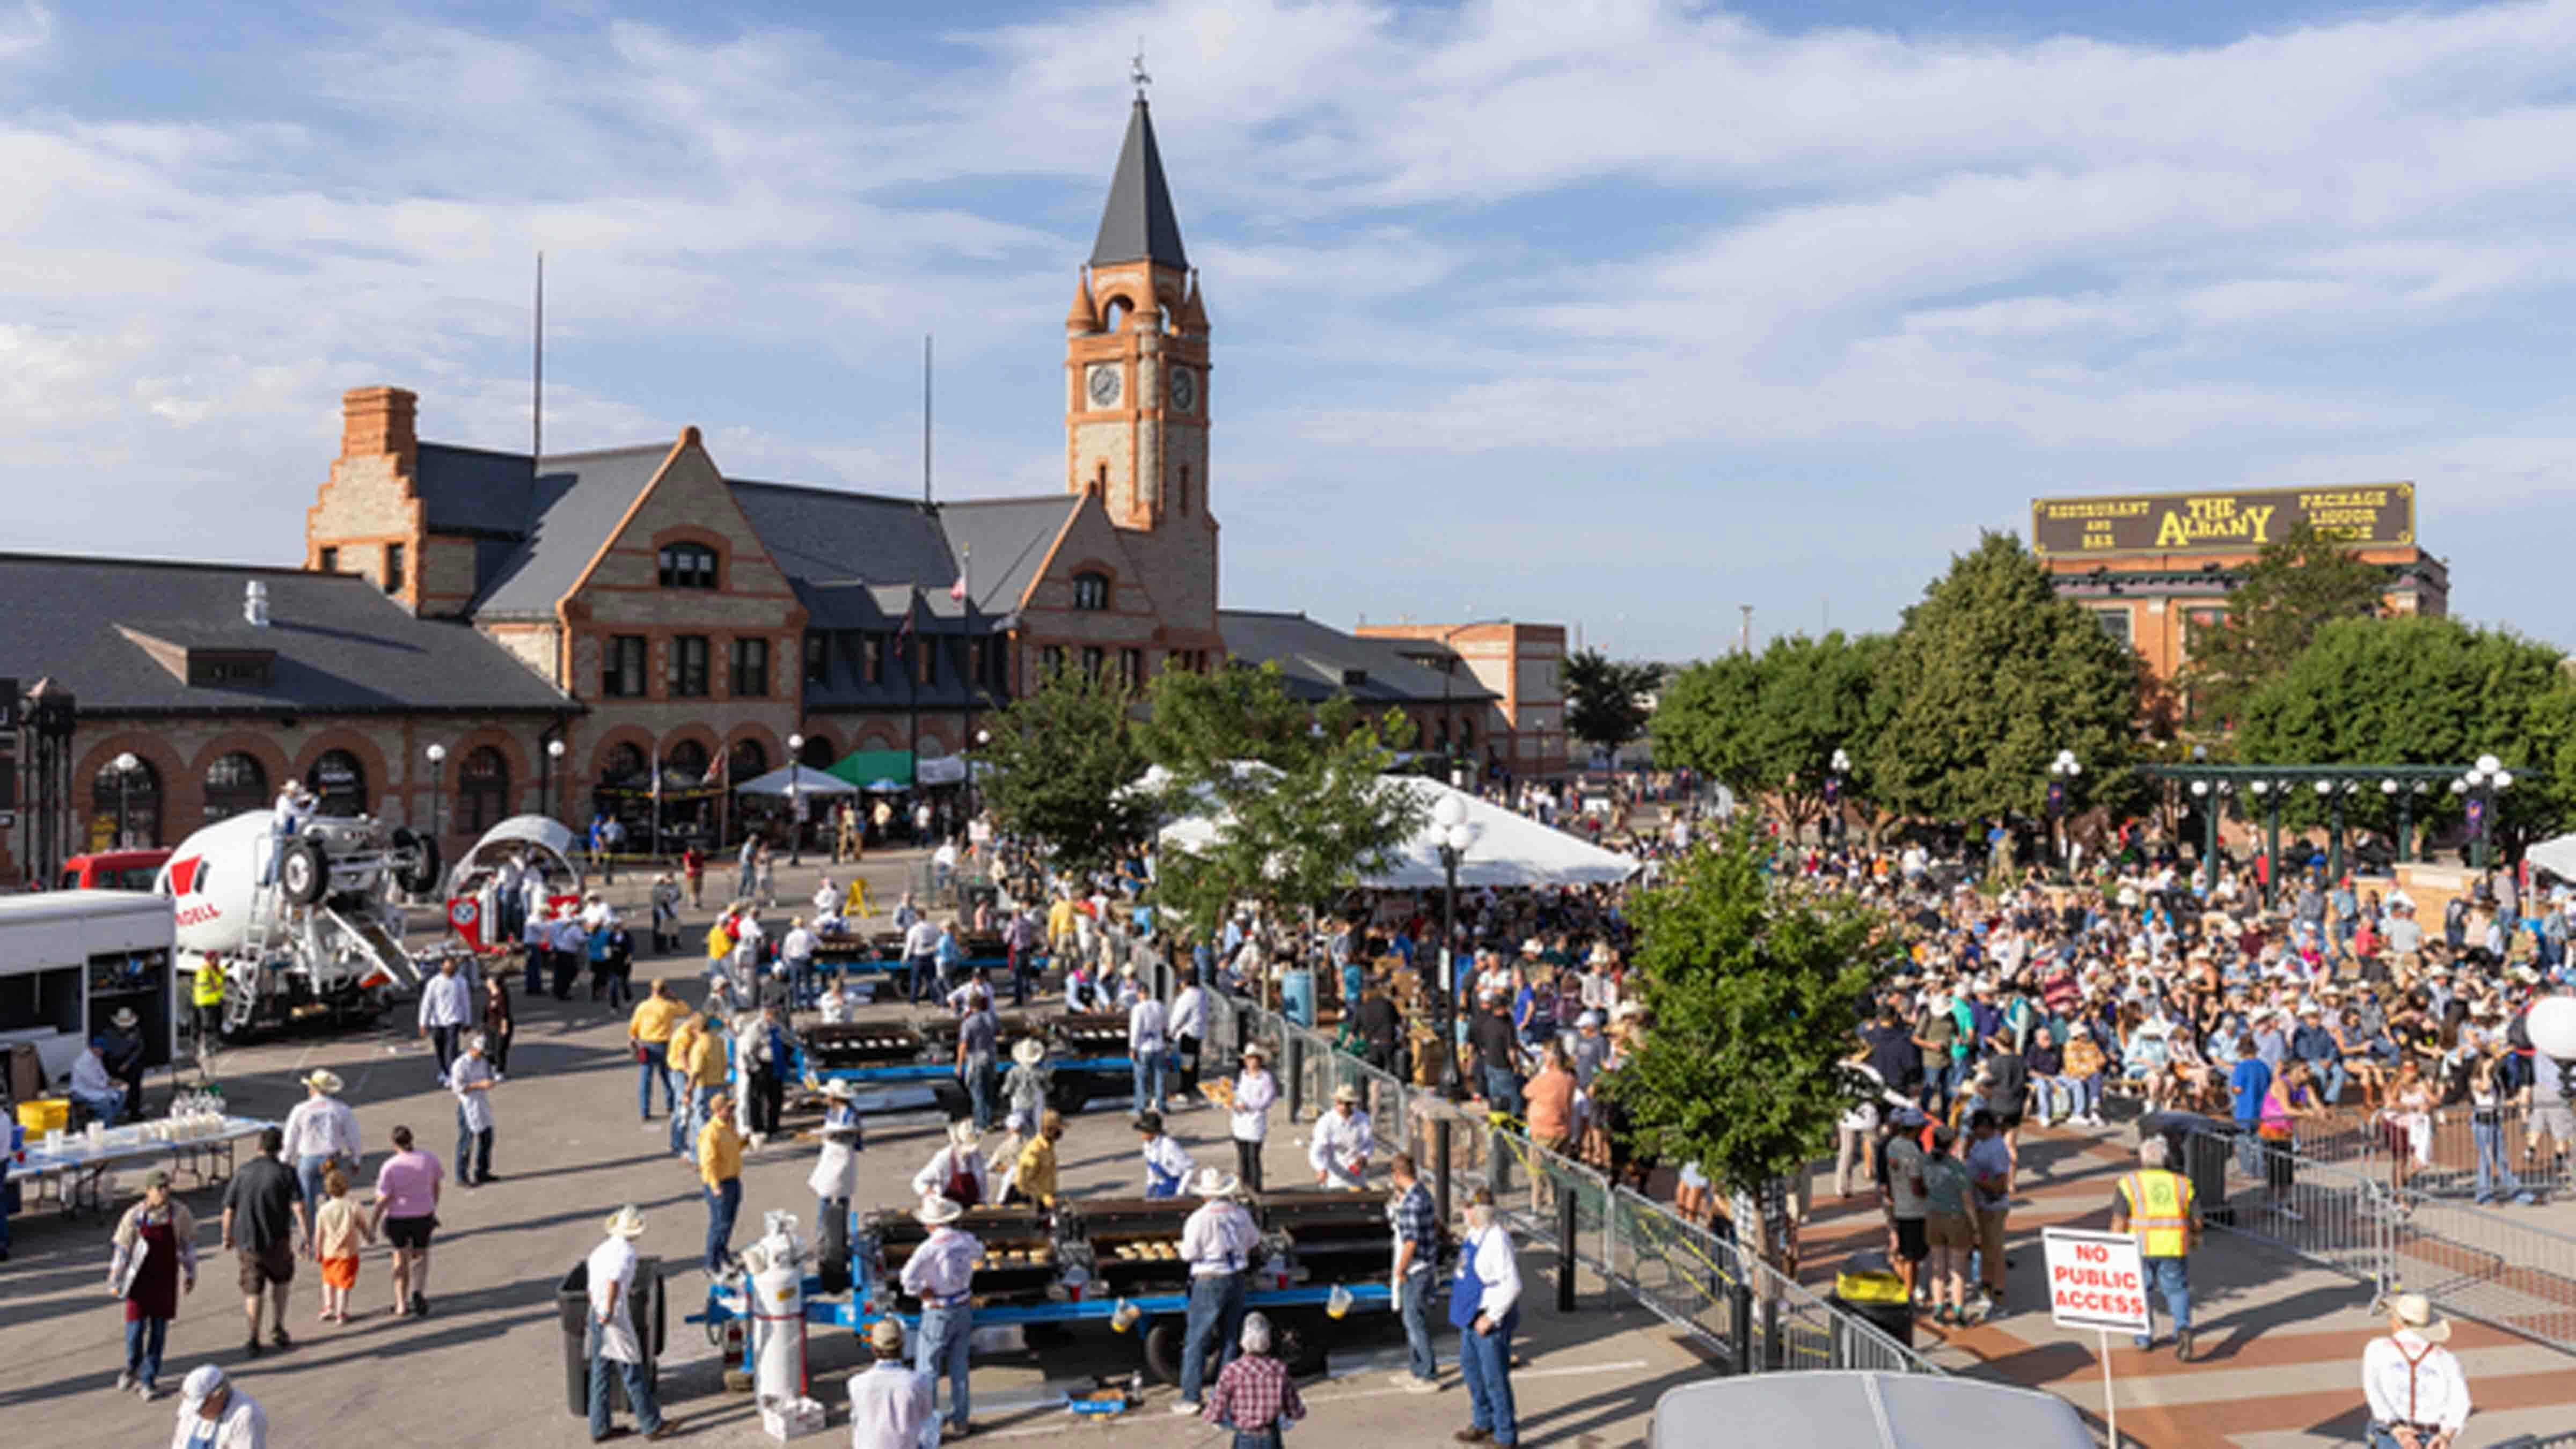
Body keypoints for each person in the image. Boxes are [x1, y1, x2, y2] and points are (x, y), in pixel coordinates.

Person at [587, 1204, 676, 1441]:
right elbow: (614, 1282)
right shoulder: (626, 1253)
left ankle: (599, 1428)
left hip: (596, 1312)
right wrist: (608, 1312)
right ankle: (651, 1424)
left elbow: (590, 1287)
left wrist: (598, 1311)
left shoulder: (600, 1250)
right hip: (613, 1317)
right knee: (632, 1370)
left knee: (601, 1372)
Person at [1174, 1168, 1258, 1416]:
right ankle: (1226, 1394)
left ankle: (1190, 1396)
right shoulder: (1240, 1214)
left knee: (1197, 1340)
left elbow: (1189, 1253)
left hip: (1209, 1279)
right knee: (1230, 1337)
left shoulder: (1199, 1219)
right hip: (1236, 1278)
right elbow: (1253, 1241)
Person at [901, 1193, 983, 1439]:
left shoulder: (928, 1250)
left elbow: (907, 1279)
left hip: (938, 1310)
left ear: (929, 1224)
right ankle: (961, 1420)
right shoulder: (965, 1240)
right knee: (959, 1365)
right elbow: (979, 1253)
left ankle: (929, 1425)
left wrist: (919, 1291)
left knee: (928, 1368)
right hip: (963, 1305)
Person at [110, 1167, 197, 1399]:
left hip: (164, 1282)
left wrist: (190, 1273)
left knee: (158, 1334)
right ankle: (132, 1366)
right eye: (159, 1188)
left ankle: (148, 1379)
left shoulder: (179, 1214)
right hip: (138, 1284)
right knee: (135, 1332)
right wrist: (115, 1279)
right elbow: (122, 1251)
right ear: (148, 1191)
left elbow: (187, 1246)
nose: (164, 1192)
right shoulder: (135, 1217)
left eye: (166, 1187)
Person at [2111, 1137, 2199, 1358]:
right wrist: (2196, 1238)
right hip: (2173, 1246)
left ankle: (2143, 1337)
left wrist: (2114, 1247)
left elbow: (2119, 1220)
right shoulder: (2182, 1183)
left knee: (2141, 1290)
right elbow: (2197, 1219)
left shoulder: (2129, 1183)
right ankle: (2182, 1328)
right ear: (2166, 1159)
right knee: (2177, 1289)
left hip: (2139, 1247)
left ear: (2142, 1159)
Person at [219, 1126, 302, 1357]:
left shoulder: (243, 1172)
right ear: (281, 1148)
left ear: (259, 1147)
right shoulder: (287, 1173)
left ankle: (253, 1337)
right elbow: (299, 1207)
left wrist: (227, 1235)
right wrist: (306, 1234)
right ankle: (278, 1326)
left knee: (253, 1290)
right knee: (281, 1283)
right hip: (278, 1239)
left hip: (248, 1241)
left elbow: (228, 1209)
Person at [1451, 1188, 1522, 1447]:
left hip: (1488, 1321)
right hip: (1470, 1316)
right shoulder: (1474, 1234)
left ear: (1480, 1211)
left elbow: (1512, 1285)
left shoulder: (1497, 1240)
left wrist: (1491, 1317)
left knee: (1495, 1379)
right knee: (1473, 1373)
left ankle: (1506, 1435)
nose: (1464, 1212)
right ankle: (1483, 1421)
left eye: (1468, 1208)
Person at [2362, 1293, 2470, 1449]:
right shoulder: (2446, 1359)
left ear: (2396, 1323)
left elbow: (2374, 1391)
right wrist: (2446, 1436)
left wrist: (2395, 1426)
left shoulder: (2377, 1348)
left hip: (2389, 1434)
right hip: (2431, 1437)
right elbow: (2460, 1403)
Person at [369, 1123, 443, 1319]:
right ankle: (418, 1291)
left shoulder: (391, 1166)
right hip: (423, 1214)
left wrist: (374, 1222)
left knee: (399, 1258)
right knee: (421, 1254)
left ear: (394, 1144)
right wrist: (432, 1206)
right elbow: (436, 1185)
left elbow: (383, 1198)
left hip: (398, 1217)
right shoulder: (428, 1159)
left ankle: (401, 1303)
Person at [1204, 1311, 1306, 1449]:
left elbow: (1217, 1405)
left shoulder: (1232, 1370)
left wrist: (1214, 1417)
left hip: (1245, 1436)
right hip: (1270, 1435)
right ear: (1268, 1343)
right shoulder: (1278, 1369)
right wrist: (1297, 1413)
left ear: (1242, 1341)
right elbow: (1294, 1409)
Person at [1388, 1152, 1440, 1392]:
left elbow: (1410, 1242)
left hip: (1416, 1268)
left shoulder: (1411, 1204)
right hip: (1428, 1264)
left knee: (1413, 1320)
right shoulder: (1423, 1194)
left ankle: (1428, 1372)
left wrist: (1399, 1270)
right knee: (1413, 1319)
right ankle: (1416, 1368)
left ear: (1398, 1175)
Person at [279, 1068, 360, 1212]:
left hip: (307, 1159)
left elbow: (291, 1137)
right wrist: (355, 1159)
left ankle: (311, 1233)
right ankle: (332, 1231)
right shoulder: (341, 1109)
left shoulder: (300, 1109)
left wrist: (285, 1160)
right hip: (332, 1159)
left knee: (307, 1202)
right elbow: (353, 1136)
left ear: (312, 1089)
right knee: (335, 1202)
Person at [848, 1316, 934, 1449]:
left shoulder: (856, 1384)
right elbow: (927, 1418)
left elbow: (856, 1420)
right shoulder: (918, 1381)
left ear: (873, 1348)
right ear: (902, 1346)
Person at [311, 1166, 370, 1324]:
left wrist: (317, 1251)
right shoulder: (353, 1206)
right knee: (343, 1283)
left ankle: (328, 1306)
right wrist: (369, 1236)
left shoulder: (323, 1210)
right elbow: (362, 1225)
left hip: (329, 1251)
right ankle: (341, 1312)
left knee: (328, 1280)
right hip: (348, 1252)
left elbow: (319, 1233)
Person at [809, 1080, 865, 1239]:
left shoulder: (850, 1114)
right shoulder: (832, 1111)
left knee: (841, 1194)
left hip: (842, 1157)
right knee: (825, 1194)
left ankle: (839, 1232)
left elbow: (852, 1134)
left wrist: (834, 1135)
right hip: (829, 1155)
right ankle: (823, 1232)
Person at [629, 978, 690, 1123]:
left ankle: (645, 1111)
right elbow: (686, 1010)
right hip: (664, 1044)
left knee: (645, 1079)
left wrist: (634, 1040)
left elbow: (634, 1027)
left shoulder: (643, 1006)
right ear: (665, 991)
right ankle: (671, 1105)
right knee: (668, 1076)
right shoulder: (668, 1006)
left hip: (646, 1045)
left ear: (652, 990)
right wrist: (675, 998)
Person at [698, 1092, 744, 1275]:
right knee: (719, 1225)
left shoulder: (728, 1126)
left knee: (728, 1223)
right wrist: (715, 1186)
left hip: (733, 1180)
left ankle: (723, 1256)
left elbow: (734, 1146)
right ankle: (712, 1263)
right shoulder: (711, 1132)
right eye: (729, 1108)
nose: (732, 1111)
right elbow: (708, 1162)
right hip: (721, 1184)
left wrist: (746, 1142)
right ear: (718, 1111)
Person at [170, 1363, 266, 1448]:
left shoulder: (246, 1417)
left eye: (201, 1408)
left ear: (219, 1395)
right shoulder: (191, 1412)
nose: (197, 1414)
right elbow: (179, 1444)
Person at [1228, 1043, 1278, 1195]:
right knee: (1242, 1158)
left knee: (1253, 1158)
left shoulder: (1266, 1078)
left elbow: (1268, 1100)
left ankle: (1256, 1190)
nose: (1252, 1062)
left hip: (1255, 1123)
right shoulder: (1241, 1076)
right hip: (1239, 1123)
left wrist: (1249, 1106)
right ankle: (1245, 1188)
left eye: (1255, 1059)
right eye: (1249, 1059)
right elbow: (1234, 1094)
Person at [452, 1031, 500, 1187]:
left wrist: (491, 1080)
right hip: (467, 1104)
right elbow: (459, 1088)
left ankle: (482, 1171)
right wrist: (479, 1085)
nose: (482, 1056)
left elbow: (489, 1076)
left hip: (481, 1103)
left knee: (487, 1138)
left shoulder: (483, 1062)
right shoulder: (461, 1064)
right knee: (466, 1141)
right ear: (473, 1049)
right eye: (480, 1053)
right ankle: (461, 1176)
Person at [418, 954, 473, 1085]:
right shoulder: (434, 983)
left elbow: (466, 1003)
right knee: (440, 1048)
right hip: (437, 1022)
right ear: (442, 967)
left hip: (454, 1020)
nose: (450, 969)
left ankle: (453, 1075)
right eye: (447, 966)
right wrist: (423, 1023)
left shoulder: (461, 982)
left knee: (452, 1048)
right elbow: (427, 1003)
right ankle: (444, 1071)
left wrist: (467, 1022)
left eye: (453, 966)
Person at [910, 1119, 991, 1208]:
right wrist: (934, 1196)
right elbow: (919, 1182)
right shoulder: (944, 1158)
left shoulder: (976, 1155)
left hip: (972, 1207)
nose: (970, 1153)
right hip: (947, 1207)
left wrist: (983, 1202)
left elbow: (982, 1183)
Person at [1310, 1082, 1372, 1190]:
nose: (1344, 1107)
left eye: (1348, 1104)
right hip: (1335, 1178)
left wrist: (1363, 1157)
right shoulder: (1326, 1122)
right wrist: (1321, 1168)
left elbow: (1368, 1144)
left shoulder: (1363, 1119)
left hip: (1358, 1176)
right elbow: (1317, 1150)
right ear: (1336, 1102)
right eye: (1340, 1103)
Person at [957, 992, 1000, 1135]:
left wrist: (959, 1065)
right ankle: (988, 1121)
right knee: (988, 1091)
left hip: (975, 1059)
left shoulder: (968, 1022)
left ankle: (981, 1125)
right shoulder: (991, 1018)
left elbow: (963, 1045)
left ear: (970, 1005)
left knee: (977, 1092)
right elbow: (998, 1033)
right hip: (991, 1057)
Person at [100, 1006, 149, 1123]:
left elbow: (139, 1049)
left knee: (136, 1077)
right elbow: (104, 1053)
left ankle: (134, 1111)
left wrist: (128, 1063)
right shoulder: (108, 1034)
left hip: (129, 1063)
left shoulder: (136, 1033)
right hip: (112, 1062)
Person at [68, 1037, 129, 1126]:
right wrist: (110, 1083)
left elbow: (103, 1075)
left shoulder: (96, 1058)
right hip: (81, 1092)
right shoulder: (83, 1062)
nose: (103, 1053)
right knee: (105, 1102)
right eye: (102, 1050)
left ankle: (103, 1122)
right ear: (95, 1048)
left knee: (121, 1095)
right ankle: (103, 1124)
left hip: (96, 1089)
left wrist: (111, 1081)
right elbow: (95, 1082)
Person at [1130, 984, 1170, 1116]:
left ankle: (1140, 1107)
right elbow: (1165, 1025)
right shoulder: (1159, 1006)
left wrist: (1133, 1047)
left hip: (1143, 1046)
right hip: (1158, 1045)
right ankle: (1161, 1105)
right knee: (1160, 1076)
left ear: (1139, 994)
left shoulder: (1138, 1008)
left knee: (1141, 1078)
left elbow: (1135, 1030)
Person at [1136, 1110, 1196, 1198]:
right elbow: (1151, 1166)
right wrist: (1151, 1184)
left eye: (1144, 1132)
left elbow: (1190, 1168)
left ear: (1153, 1132)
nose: (1141, 1135)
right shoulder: (1147, 1145)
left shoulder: (1169, 1145)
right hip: (1163, 1185)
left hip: (1176, 1184)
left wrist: (1181, 1191)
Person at [1013, 1111, 1065, 1210]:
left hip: (1048, 1198)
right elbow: (1024, 1182)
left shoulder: (1049, 1146)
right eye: (1059, 1129)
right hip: (1034, 1201)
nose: (1061, 1132)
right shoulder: (1035, 1150)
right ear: (1051, 1130)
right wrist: (1044, 1197)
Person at [1003, 1037, 1052, 1130]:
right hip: (1037, 1101)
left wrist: (1004, 1093)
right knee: (1038, 1125)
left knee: (1022, 1124)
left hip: (1020, 1101)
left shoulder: (1014, 1071)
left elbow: (1008, 1088)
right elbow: (1048, 1087)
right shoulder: (1040, 1072)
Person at [903, 909, 942, 1006]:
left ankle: (913, 1002)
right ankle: (935, 1001)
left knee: (915, 980)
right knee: (931, 980)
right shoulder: (933, 927)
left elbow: (909, 945)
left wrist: (905, 957)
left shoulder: (913, 929)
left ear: (917, 917)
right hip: (930, 956)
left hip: (918, 957)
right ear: (925, 916)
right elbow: (939, 940)